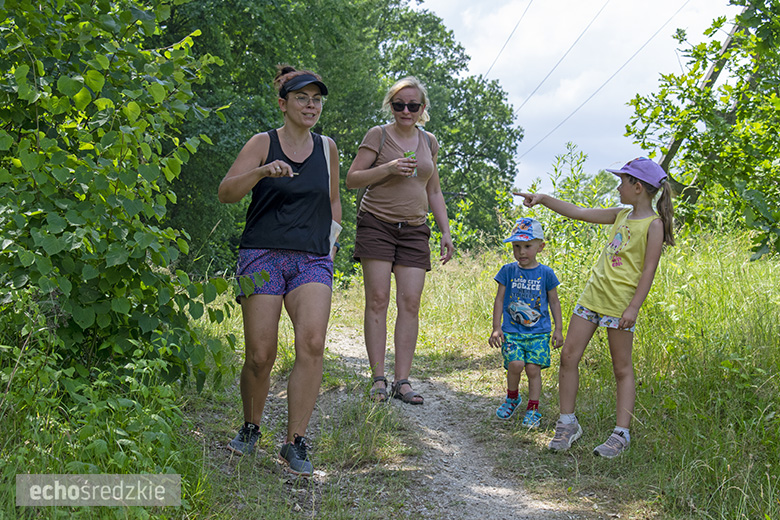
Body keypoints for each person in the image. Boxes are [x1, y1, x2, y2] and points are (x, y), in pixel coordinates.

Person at [217, 65, 342, 476]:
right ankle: (251, 428)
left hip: (311, 257)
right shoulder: (262, 143)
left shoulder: (328, 148)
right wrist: (261, 171)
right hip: (262, 253)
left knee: (312, 343)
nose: (311, 105)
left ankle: (295, 442)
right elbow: (226, 193)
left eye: (317, 98)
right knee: (260, 353)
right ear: (283, 103)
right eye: (303, 98)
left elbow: (334, 201)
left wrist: (332, 244)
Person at [517, 157, 675, 458]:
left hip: (619, 306)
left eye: (622, 182)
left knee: (621, 368)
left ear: (638, 187)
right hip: (591, 299)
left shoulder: (653, 225)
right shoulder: (620, 215)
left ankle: (621, 433)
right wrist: (543, 199)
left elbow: (649, 271)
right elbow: (578, 212)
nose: (618, 187)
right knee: (568, 356)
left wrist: (634, 308)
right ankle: (567, 423)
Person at [346, 76, 454, 405]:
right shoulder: (377, 136)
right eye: (399, 104)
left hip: (415, 228)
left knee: (410, 303)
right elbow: (352, 179)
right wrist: (389, 167)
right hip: (376, 223)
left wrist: (445, 231)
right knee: (378, 300)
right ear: (390, 106)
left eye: (412, 105)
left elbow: (433, 190)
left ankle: (402, 381)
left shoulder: (429, 142)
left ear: (422, 109)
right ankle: (378, 378)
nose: (405, 110)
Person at [489, 218, 564, 428]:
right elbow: (500, 299)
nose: (521, 252)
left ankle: (533, 408)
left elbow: (554, 302)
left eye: (527, 246)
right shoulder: (507, 271)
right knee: (515, 364)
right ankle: (512, 398)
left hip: (539, 332)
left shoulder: (546, 273)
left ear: (540, 247)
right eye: (517, 246)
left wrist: (558, 329)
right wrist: (496, 328)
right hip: (512, 331)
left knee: (533, 369)